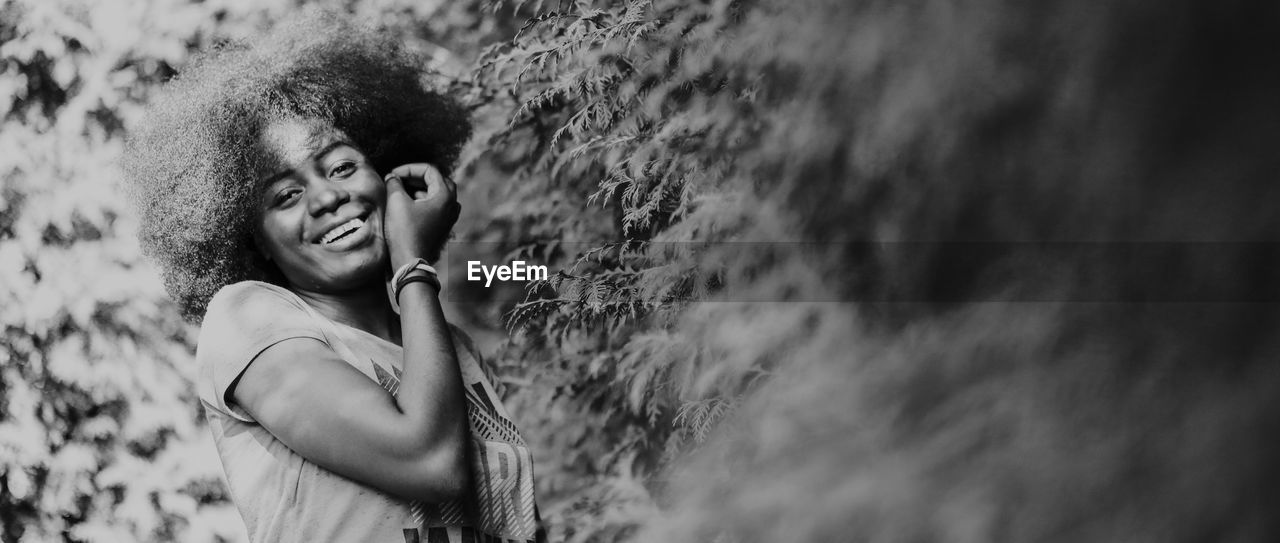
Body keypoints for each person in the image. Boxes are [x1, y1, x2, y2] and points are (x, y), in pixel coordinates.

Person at [124, 13, 541, 543]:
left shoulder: (447, 346)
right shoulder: (248, 320)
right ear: (254, 241)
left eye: (342, 167)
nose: (326, 198)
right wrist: (413, 262)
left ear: (388, 171)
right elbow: (431, 462)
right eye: (285, 196)